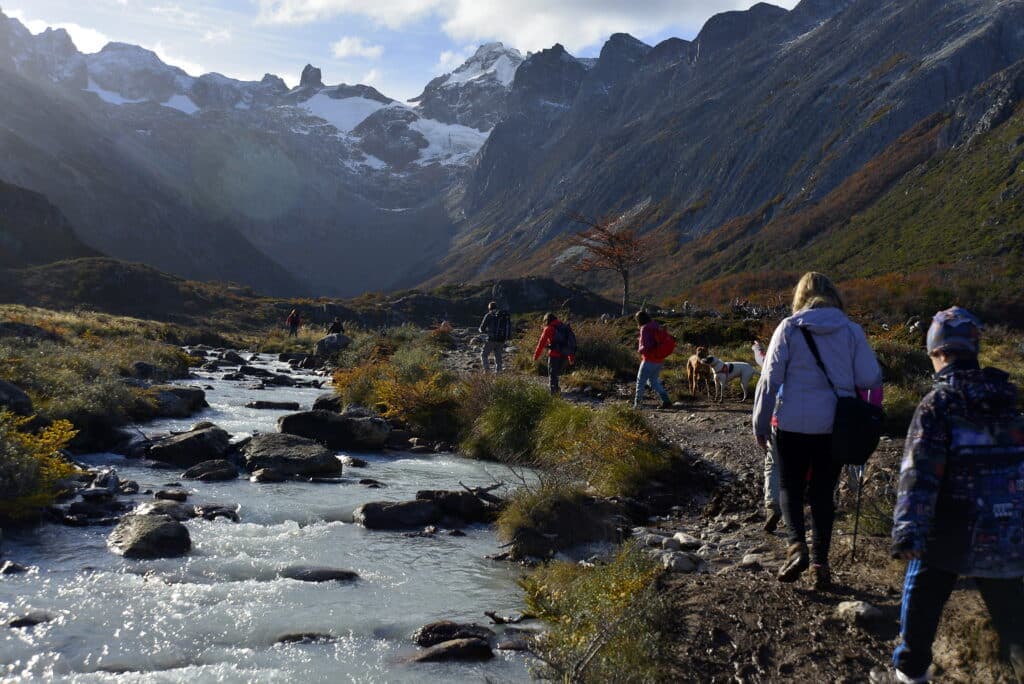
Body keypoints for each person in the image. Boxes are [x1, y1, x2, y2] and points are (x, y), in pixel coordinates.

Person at [871, 308, 1024, 684]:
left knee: (922, 599)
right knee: (1014, 621)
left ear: (936, 353)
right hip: (1005, 531)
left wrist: (908, 532)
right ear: (974, 349)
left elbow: (919, 476)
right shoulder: (1008, 405)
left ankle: (911, 670)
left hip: (949, 532)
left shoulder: (937, 405)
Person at [752, 272, 882, 589]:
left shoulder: (789, 328)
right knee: (823, 493)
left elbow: (770, 380)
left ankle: (797, 546)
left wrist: (760, 423)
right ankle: (821, 565)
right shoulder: (851, 330)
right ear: (833, 295)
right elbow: (870, 378)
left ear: (800, 297)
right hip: (834, 426)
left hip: (791, 424)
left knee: (790, 487)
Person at [634, 310, 673, 409]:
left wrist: (640, 349)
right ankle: (666, 401)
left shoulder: (644, 328)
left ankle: (637, 404)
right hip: (658, 359)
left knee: (640, 382)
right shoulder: (656, 326)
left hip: (648, 360)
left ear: (639, 320)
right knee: (654, 382)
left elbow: (647, 346)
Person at [533, 313, 574, 395]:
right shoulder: (564, 327)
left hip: (554, 355)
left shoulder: (548, 328)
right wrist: (571, 358)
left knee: (552, 374)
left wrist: (535, 357)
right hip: (564, 355)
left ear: (547, 320)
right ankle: (557, 389)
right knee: (556, 373)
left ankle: (553, 393)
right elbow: (570, 343)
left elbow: (541, 344)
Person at [479, 301, 512, 373]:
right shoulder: (502, 316)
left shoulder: (489, 315)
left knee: (484, 355)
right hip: (502, 340)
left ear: (489, 308)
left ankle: (487, 371)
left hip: (491, 339)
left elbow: (482, 328)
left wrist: (484, 332)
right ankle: (498, 371)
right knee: (498, 356)